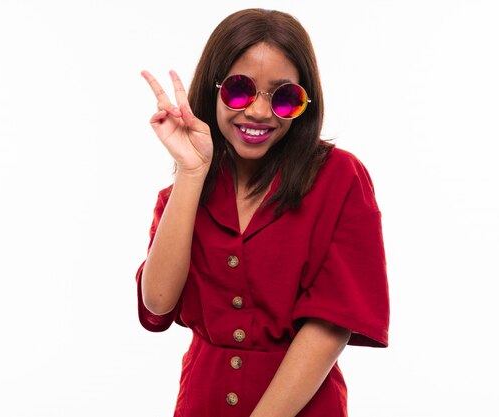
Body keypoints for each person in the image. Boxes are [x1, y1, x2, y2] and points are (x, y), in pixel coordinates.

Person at [136, 8, 389, 417]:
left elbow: (330, 324)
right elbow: (159, 301)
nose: (257, 112)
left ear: (305, 101)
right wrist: (191, 171)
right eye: (240, 90)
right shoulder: (183, 192)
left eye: (284, 96)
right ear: (212, 87)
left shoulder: (341, 178)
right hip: (201, 401)